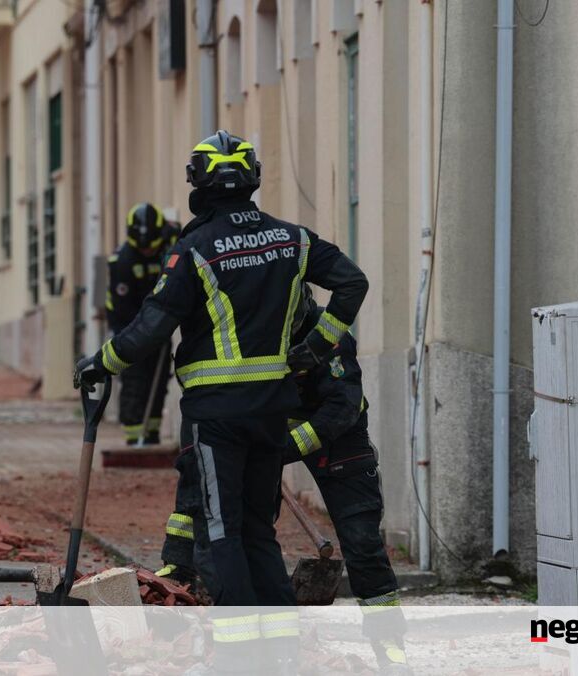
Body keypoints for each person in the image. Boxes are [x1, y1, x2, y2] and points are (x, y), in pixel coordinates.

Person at [75, 130, 369, 672]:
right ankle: (280, 650)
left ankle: (236, 653)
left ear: (199, 184)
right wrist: (317, 345)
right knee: (258, 530)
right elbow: (353, 282)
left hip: (217, 416)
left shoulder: (195, 248)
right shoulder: (293, 239)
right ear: (252, 179)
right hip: (272, 409)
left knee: (219, 532)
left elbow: (151, 327)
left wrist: (100, 362)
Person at [158, 284, 410, 674]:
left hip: (337, 436)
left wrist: (282, 448)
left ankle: (389, 644)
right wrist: (178, 561)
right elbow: (198, 473)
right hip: (267, 433)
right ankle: (249, 633)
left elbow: (342, 406)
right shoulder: (246, 331)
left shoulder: (329, 333)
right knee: (242, 526)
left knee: (362, 541)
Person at [105, 202, 171, 444]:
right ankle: (134, 438)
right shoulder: (122, 261)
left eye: (151, 246)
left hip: (157, 327)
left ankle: (152, 434)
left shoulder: (167, 246)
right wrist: (146, 333)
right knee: (135, 382)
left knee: (159, 381)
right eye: (143, 248)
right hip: (128, 327)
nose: (147, 251)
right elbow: (123, 309)